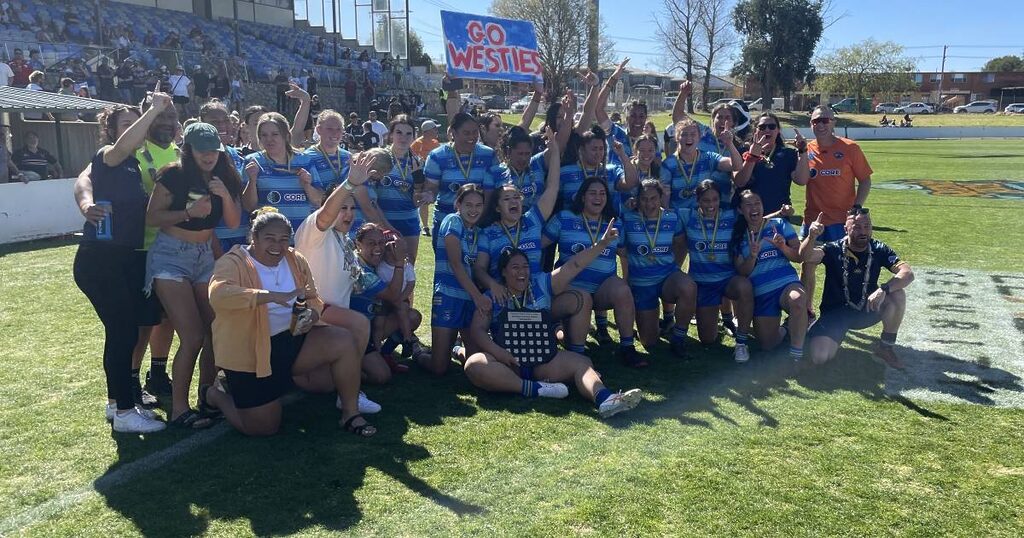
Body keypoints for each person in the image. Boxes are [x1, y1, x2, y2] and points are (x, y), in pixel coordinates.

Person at [205, 208, 375, 437]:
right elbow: (219, 295)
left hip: (292, 340)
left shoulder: (295, 259)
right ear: (253, 239)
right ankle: (214, 394)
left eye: (284, 239)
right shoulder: (233, 262)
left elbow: (314, 299)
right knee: (263, 428)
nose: (278, 245)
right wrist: (268, 296)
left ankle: (350, 413)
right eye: (270, 239)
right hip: (251, 353)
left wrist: (313, 315)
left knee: (342, 340)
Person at [463, 245, 644, 418]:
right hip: (510, 366)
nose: (522, 272)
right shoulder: (492, 296)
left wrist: (602, 244)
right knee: (474, 364)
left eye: (525, 267)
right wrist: (499, 353)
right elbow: (477, 330)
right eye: (515, 267)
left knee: (582, 363)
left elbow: (573, 265)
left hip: (544, 362)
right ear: (503, 272)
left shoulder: (540, 284)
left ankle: (606, 399)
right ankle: (535, 389)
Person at [72, 102, 166, 433]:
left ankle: (117, 404)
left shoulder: (129, 166)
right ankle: (125, 411)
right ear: (112, 131)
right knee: (123, 332)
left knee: (121, 332)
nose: (134, 128)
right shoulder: (111, 155)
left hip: (122, 257)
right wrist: (153, 110)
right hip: (100, 258)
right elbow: (85, 178)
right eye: (127, 123)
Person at [144, 122, 242, 427]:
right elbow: (150, 218)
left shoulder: (224, 174)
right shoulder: (173, 175)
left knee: (216, 330)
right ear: (188, 149)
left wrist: (225, 195)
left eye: (213, 149)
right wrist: (188, 213)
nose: (209, 155)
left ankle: (207, 396)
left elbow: (233, 220)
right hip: (170, 256)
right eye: (202, 150)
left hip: (204, 258)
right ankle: (179, 410)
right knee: (193, 336)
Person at [475, 138, 580, 348]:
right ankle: (464, 348)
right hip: (505, 297)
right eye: (507, 199)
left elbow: (552, 187)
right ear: (496, 208)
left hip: (536, 293)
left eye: (517, 198)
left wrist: (556, 151)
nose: (514, 201)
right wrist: (492, 285)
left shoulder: (533, 219)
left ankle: (575, 350)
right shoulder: (488, 233)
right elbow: (478, 269)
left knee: (580, 298)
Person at [543, 177, 645, 367]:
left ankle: (627, 347)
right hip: (571, 290)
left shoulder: (615, 224)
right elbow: (539, 244)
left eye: (602, 193)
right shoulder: (564, 218)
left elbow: (623, 254)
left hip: (602, 288)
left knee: (622, 290)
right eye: (592, 193)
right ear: (582, 197)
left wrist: (627, 280)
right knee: (572, 332)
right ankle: (565, 339)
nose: (598, 198)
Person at [799, 207, 914, 368]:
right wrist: (811, 236)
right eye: (857, 227)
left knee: (897, 294)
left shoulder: (879, 248)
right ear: (846, 229)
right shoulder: (833, 248)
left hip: (867, 309)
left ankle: (885, 347)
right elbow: (805, 257)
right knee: (819, 357)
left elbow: (907, 273)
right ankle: (818, 334)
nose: (863, 232)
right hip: (836, 313)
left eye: (867, 226)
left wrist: (883, 289)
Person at [802, 105, 872, 318]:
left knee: (843, 269)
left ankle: (843, 310)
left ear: (833, 122)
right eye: (816, 121)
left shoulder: (851, 148)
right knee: (808, 266)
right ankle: (806, 311)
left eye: (825, 120)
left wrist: (856, 207)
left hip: (841, 222)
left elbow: (865, 180)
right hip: (813, 221)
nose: (821, 124)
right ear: (810, 124)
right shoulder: (806, 149)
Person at [678, 180, 754, 362]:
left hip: (728, 280)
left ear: (720, 200)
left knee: (744, 286)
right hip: (702, 284)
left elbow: (755, 216)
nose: (711, 205)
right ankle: (714, 320)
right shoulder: (687, 216)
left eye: (714, 200)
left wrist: (781, 213)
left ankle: (741, 342)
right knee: (707, 340)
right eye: (706, 200)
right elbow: (661, 211)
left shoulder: (731, 216)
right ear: (698, 201)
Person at [620, 179, 696, 356]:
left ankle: (678, 338)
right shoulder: (627, 218)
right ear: (637, 200)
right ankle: (650, 326)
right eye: (644, 199)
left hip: (667, 277)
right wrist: (626, 278)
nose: (649, 203)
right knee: (649, 342)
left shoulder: (671, 218)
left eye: (654, 198)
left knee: (688, 286)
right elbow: (621, 251)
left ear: (661, 198)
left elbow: (680, 243)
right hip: (641, 283)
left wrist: (675, 267)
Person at [731, 190, 808, 359]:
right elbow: (742, 272)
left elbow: (798, 256)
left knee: (798, 301)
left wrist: (783, 247)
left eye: (757, 203)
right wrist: (752, 256)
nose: (754, 208)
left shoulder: (779, 224)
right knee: (768, 345)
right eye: (748, 205)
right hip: (762, 293)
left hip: (786, 284)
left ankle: (796, 354)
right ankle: (790, 327)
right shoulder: (737, 236)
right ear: (740, 209)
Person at [426, 184, 488, 375]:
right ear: (458, 205)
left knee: (476, 362)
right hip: (448, 297)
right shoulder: (452, 221)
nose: (474, 210)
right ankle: (419, 352)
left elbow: (479, 269)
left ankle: (457, 350)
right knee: (439, 369)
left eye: (478, 205)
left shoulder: (480, 233)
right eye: (468, 204)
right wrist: (478, 297)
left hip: (469, 300)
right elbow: (455, 264)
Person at [420, 112, 497, 245]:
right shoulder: (437, 156)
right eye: (466, 133)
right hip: (446, 223)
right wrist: (428, 195)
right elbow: (431, 187)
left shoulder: (488, 155)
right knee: (446, 265)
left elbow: (492, 192)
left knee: (479, 265)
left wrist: (480, 218)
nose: (472, 137)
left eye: (475, 132)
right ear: (454, 133)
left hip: (479, 224)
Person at [241, 112, 324, 234]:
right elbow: (248, 207)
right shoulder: (253, 161)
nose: (269, 139)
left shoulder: (305, 160)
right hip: (269, 238)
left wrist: (307, 185)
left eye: (275, 134)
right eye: (264, 135)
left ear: (286, 136)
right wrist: (252, 181)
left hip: (303, 236)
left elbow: (318, 201)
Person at [733, 112, 810, 215]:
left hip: (777, 216)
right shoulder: (742, 151)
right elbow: (739, 182)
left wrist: (803, 151)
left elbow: (802, 180)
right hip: (747, 217)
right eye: (762, 127)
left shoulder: (788, 154)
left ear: (778, 130)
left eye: (772, 126)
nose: (767, 130)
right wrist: (752, 157)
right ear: (755, 130)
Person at [376, 115, 426, 262]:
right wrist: (385, 224)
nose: (403, 138)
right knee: (381, 270)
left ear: (414, 136)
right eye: (399, 132)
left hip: (408, 222)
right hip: (381, 222)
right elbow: (369, 198)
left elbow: (417, 203)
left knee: (407, 268)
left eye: (408, 133)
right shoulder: (378, 158)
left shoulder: (419, 163)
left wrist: (418, 183)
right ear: (391, 134)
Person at [411, 120, 441, 237]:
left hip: (435, 176)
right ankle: (425, 226)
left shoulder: (436, 143)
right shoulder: (417, 144)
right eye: (435, 129)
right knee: (424, 201)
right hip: (422, 176)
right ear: (427, 131)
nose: (436, 131)